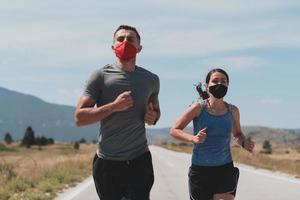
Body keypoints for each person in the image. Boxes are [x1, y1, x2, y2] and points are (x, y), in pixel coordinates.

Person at [74, 25, 160, 200]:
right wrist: (113, 106)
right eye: (120, 39)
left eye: (131, 39)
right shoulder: (100, 76)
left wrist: (153, 117)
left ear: (139, 48)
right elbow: (80, 118)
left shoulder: (151, 79)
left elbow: (155, 111)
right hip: (107, 161)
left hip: (139, 159)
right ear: (113, 46)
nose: (125, 42)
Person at [170, 68, 254, 200]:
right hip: (201, 170)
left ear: (227, 85)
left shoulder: (233, 110)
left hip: (225, 168)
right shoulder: (198, 108)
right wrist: (193, 138)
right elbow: (174, 129)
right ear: (207, 86)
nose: (219, 84)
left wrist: (244, 143)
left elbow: (237, 133)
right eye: (215, 81)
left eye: (223, 81)